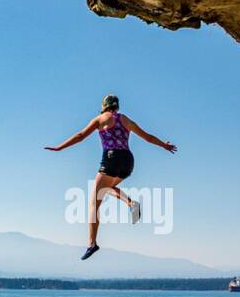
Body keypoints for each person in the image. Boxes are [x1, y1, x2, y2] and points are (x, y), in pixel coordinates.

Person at [45, 94, 177, 259]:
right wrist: (164, 145)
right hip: (128, 161)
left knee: (94, 203)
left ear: (104, 106)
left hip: (111, 158)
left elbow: (80, 136)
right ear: (117, 106)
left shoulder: (100, 119)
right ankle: (130, 203)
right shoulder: (125, 120)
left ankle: (92, 243)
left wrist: (60, 147)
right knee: (107, 188)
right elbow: (148, 137)